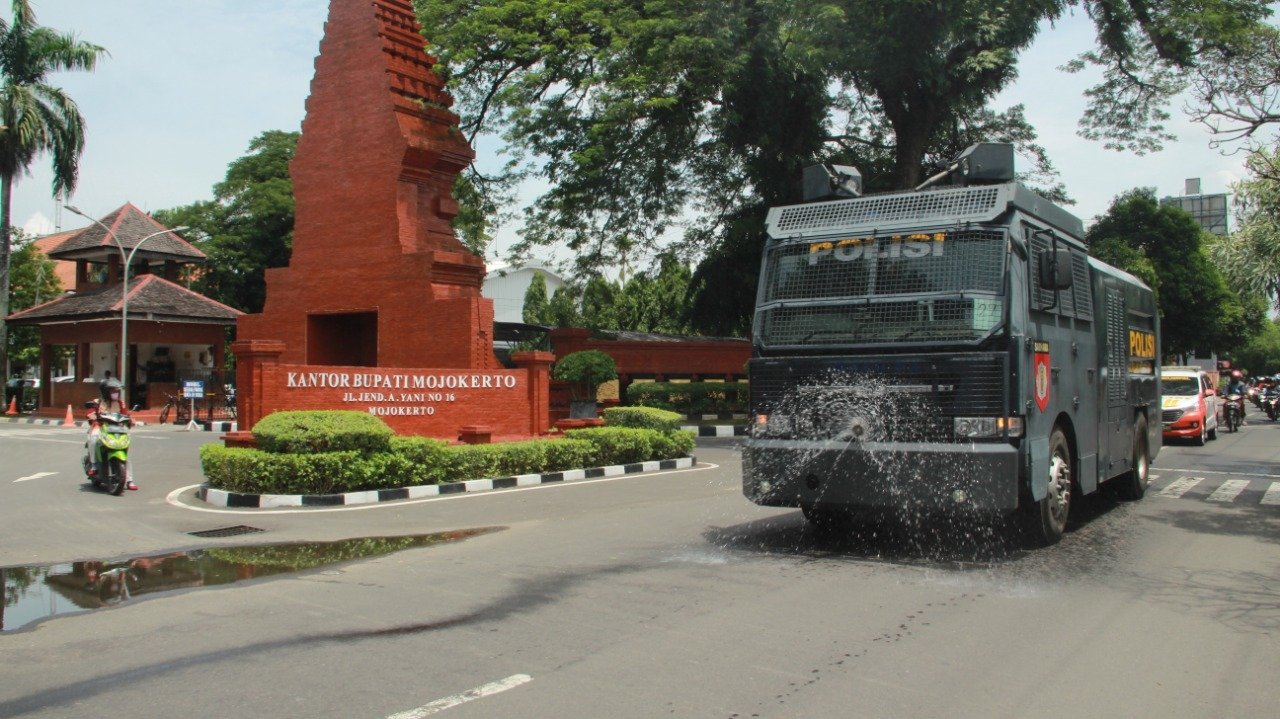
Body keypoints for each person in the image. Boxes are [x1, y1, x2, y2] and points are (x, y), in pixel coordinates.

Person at [86, 378, 137, 490]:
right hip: (100, 427)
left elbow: (125, 414)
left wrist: (131, 419)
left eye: (117, 391)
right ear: (106, 391)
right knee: (94, 438)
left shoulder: (120, 403)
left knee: (125, 451)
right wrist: (92, 415)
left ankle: (129, 480)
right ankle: (94, 465)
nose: (116, 393)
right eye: (113, 391)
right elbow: (90, 412)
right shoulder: (97, 402)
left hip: (117, 429)